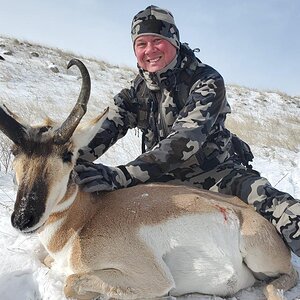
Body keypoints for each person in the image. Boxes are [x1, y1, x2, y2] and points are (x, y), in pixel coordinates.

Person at [75, 5, 300, 256]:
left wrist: (123, 175)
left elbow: (185, 140)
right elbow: (103, 131)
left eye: (157, 41)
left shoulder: (206, 80)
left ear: (174, 40)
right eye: (141, 44)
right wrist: (66, 160)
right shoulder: (135, 92)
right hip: (160, 179)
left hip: (218, 176)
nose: (149, 50)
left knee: (283, 213)